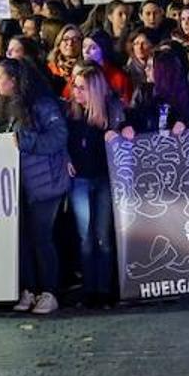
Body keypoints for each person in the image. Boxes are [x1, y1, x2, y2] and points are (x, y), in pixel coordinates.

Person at [0, 58, 69, 315]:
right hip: (20, 185)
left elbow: (59, 136)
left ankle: (50, 292)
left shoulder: (42, 105)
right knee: (23, 239)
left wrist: (26, 141)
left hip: (44, 182)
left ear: (14, 80)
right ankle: (30, 289)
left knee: (42, 238)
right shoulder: (6, 107)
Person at [67, 63, 125, 307]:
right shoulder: (71, 113)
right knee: (86, 237)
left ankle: (106, 289)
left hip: (102, 178)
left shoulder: (110, 111)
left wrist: (118, 133)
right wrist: (65, 158)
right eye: (75, 87)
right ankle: (90, 289)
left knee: (103, 236)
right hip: (79, 179)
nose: (76, 93)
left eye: (81, 88)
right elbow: (62, 140)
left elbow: (124, 133)